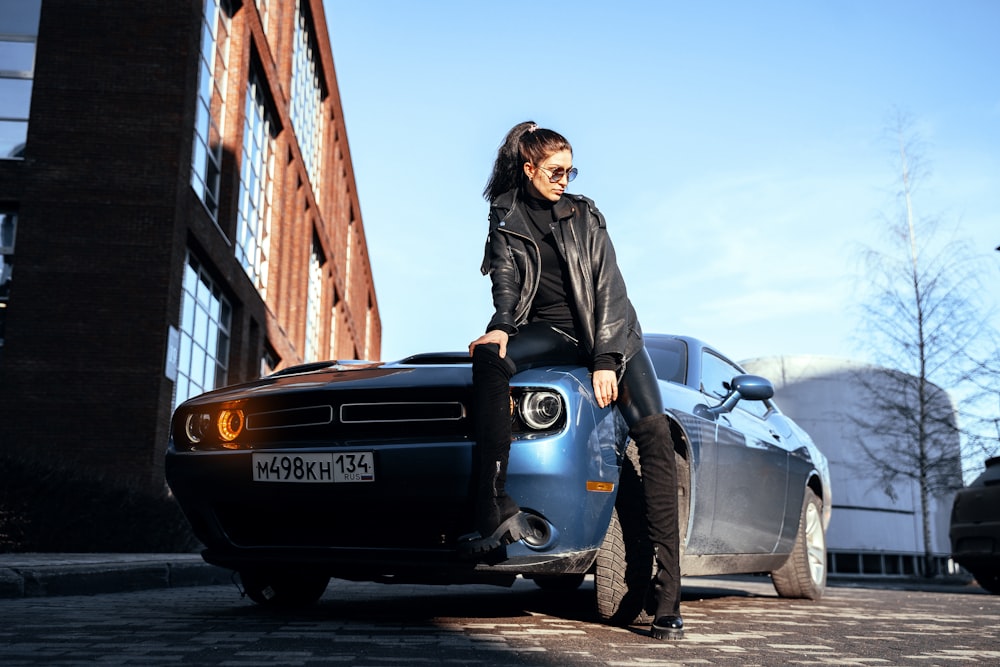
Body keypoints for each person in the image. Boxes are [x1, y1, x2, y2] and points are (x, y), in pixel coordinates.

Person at [459, 121, 684, 640]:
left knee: (653, 438)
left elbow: (609, 287)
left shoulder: (583, 213)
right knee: (489, 361)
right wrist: (498, 329)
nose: (565, 179)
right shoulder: (505, 216)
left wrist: (606, 357)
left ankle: (668, 593)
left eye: (570, 170)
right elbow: (507, 288)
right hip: (554, 331)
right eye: (556, 170)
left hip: (612, 335)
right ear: (529, 168)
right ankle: (492, 507)